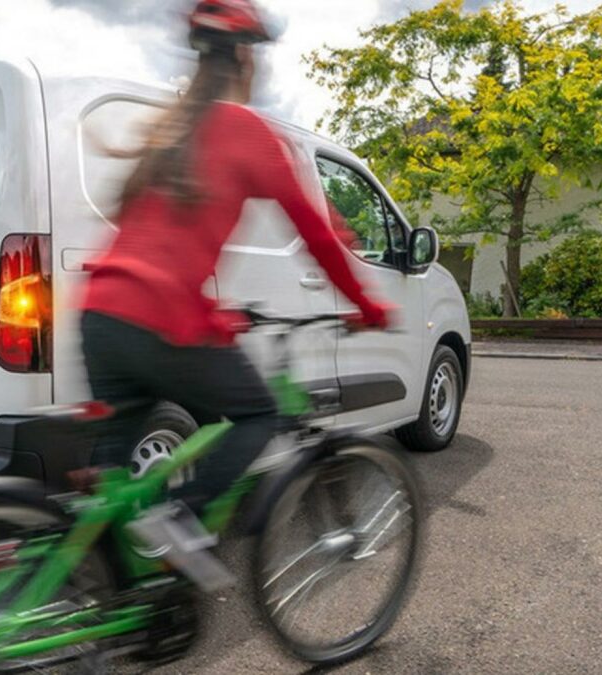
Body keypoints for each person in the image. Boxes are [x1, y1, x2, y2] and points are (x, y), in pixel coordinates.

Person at [79, 0, 392, 544]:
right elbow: (318, 234)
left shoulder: (170, 131)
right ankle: (180, 530)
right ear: (246, 58)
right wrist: (368, 306)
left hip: (102, 315)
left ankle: (114, 594)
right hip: (157, 320)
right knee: (256, 415)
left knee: (112, 486)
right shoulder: (246, 131)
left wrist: (212, 317)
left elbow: (154, 252)